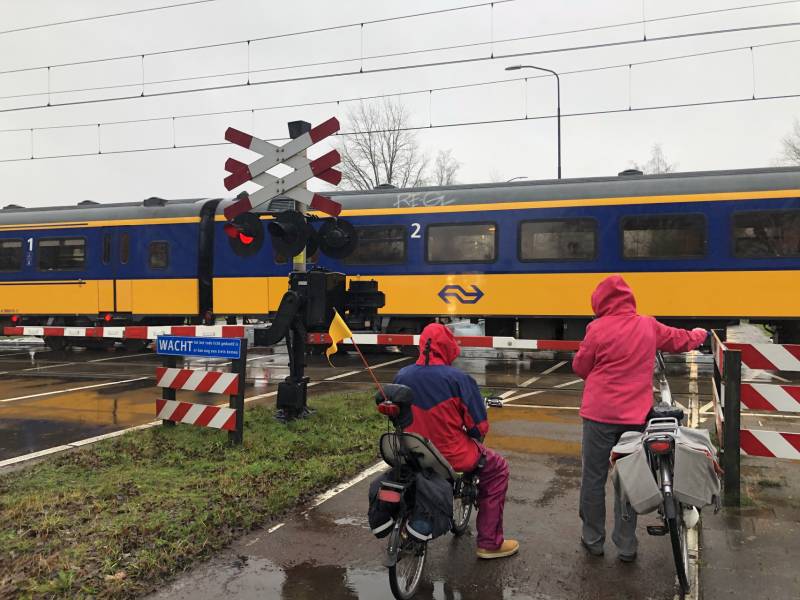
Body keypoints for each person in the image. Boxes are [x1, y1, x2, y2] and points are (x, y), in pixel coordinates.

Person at [572, 275, 707, 561]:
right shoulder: (648, 325)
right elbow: (680, 340)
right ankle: (626, 546)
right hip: (635, 418)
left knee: (593, 478)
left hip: (598, 416)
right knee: (628, 479)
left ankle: (593, 540)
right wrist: (700, 334)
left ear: (599, 302)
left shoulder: (596, 328)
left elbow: (581, 367)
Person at [393, 322, 519, 559]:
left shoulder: (402, 374)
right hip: (451, 455)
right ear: (448, 347)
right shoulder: (458, 379)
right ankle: (490, 543)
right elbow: (478, 427)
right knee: (497, 468)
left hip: (412, 451)